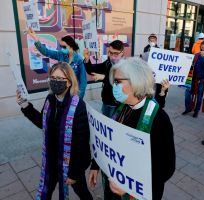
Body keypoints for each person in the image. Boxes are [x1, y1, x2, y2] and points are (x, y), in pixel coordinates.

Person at [88, 57, 175, 200]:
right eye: (113, 81)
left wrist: (130, 186)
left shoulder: (159, 119)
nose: (113, 86)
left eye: (118, 82)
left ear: (136, 82)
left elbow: (166, 168)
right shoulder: (121, 108)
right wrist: (95, 165)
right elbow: (107, 141)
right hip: (113, 186)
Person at [16, 62, 93, 200]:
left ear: (69, 82)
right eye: (52, 78)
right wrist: (25, 105)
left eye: (59, 79)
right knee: (46, 189)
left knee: (81, 190)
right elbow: (42, 122)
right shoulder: (50, 99)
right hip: (52, 159)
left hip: (72, 163)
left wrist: (74, 173)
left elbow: (81, 143)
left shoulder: (78, 105)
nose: (55, 82)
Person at [27, 27, 87, 98]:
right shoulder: (60, 54)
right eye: (60, 46)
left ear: (71, 46)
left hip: (73, 92)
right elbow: (46, 52)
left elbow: (83, 81)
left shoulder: (79, 60)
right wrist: (36, 39)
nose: (62, 49)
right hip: (62, 90)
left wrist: (79, 98)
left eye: (64, 47)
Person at [83, 40, 124, 117]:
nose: (112, 56)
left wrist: (104, 77)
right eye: (110, 53)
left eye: (116, 54)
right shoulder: (108, 62)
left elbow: (121, 81)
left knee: (113, 125)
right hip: (106, 100)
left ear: (122, 53)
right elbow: (92, 70)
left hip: (117, 103)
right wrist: (87, 59)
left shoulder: (125, 66)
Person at [182, 41, 204, 118]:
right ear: (200, 47)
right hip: (192, 79)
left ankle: (196, 111)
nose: (203, 47)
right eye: (202, 46)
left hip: (201, 80)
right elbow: (191, 65)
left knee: (199, 96)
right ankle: (188, 108)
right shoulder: (196, 55)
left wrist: (203, 58)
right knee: (187, 93)